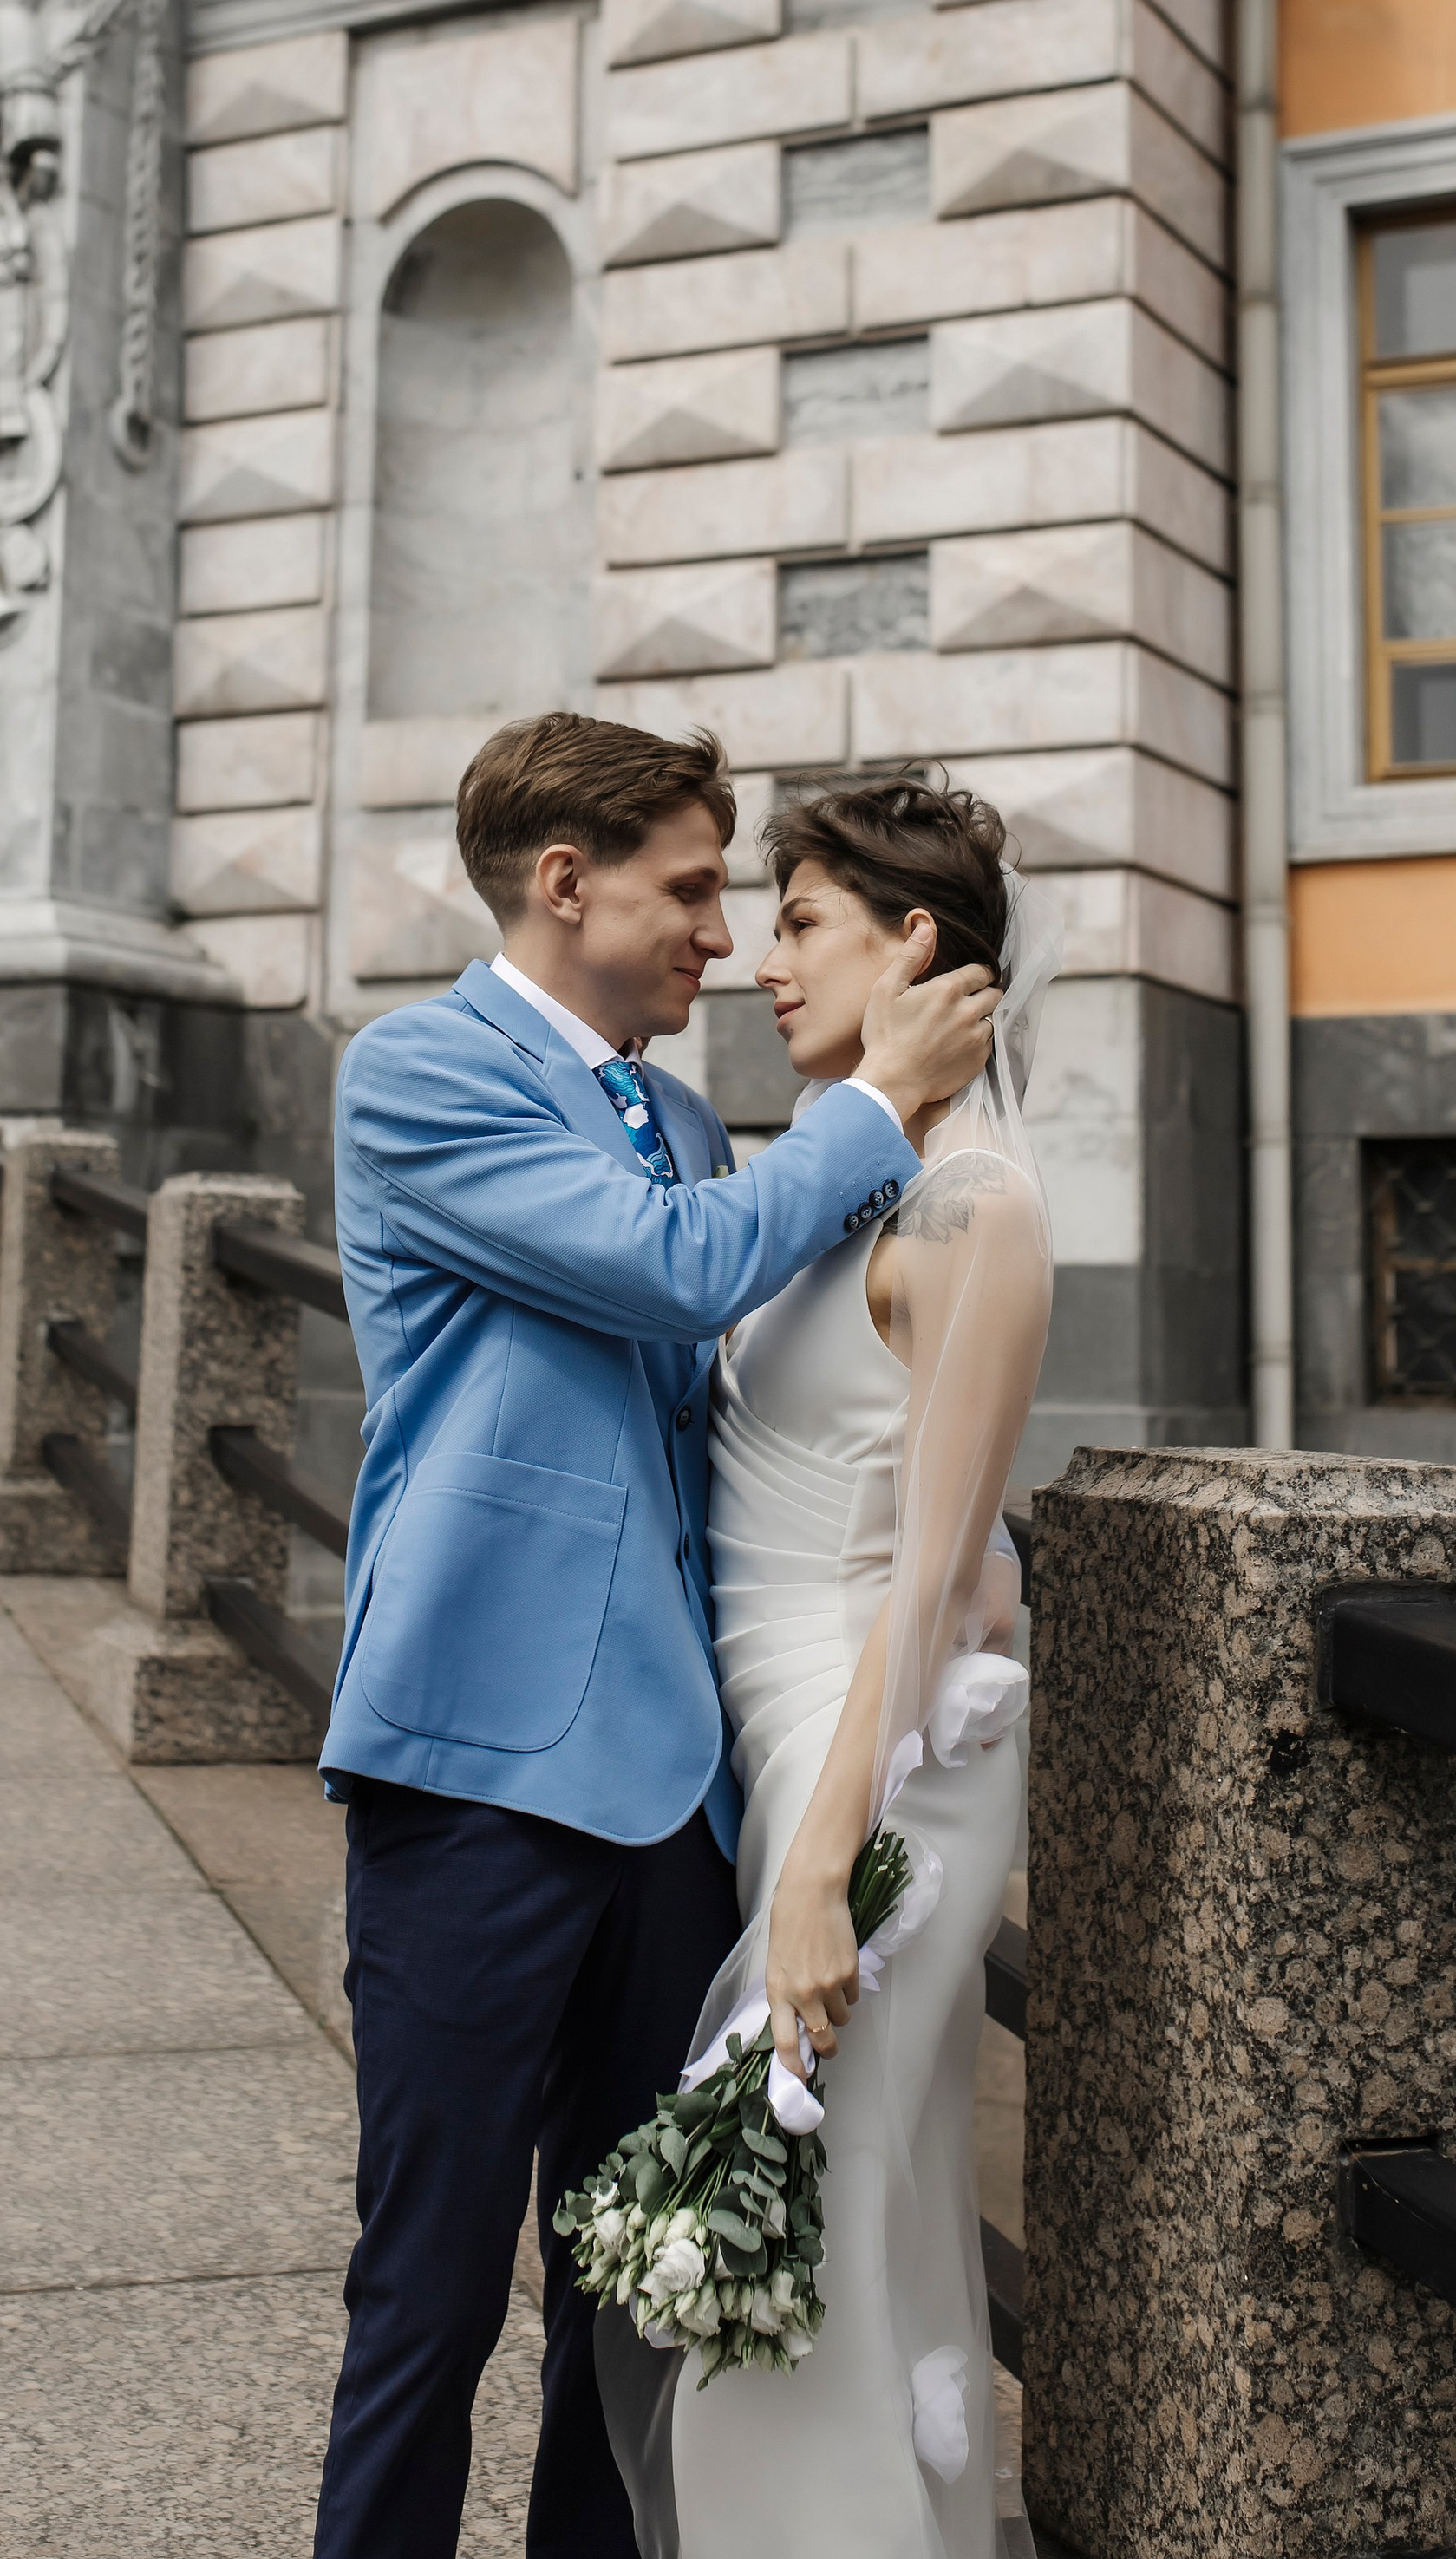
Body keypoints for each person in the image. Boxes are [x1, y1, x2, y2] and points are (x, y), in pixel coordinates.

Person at [312, 714, 1002, 2559]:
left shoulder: (686, 1116)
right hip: (475, 1768)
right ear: (564, 882)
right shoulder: (416, 1073)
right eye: (690, 888)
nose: (718, 933)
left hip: (680, 1796)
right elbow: (675, 1270)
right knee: (428, 2294)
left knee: (629, 2298)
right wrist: (867, 1109)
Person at [657, 775, 1060, 2559]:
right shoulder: (848, 1159)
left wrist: (825, 1867)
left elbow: (928, 1588)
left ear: (912, 941)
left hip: (870, 1760)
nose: (758, 959)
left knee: (802, 2231)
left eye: (801, 919)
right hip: (784, 1735)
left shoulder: (974, 1208)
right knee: (831, 2231)